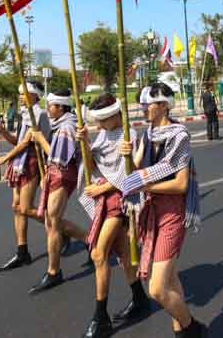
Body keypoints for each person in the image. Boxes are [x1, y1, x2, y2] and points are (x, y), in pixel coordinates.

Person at [119, 82, 207, 337]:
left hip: (172, 214)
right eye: (143, 104)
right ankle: (180, 331)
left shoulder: (179, 135)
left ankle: (194, 329)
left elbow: (180, 185)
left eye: (148, 104)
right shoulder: (147, 134)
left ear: (164, 105)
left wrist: (145, 185)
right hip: (151, 212)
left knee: (157, 289)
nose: (144, 108)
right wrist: (126, 154)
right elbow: (135, 173)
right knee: (171, 280)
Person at [76, 93, 150, 338]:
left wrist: (102, 188)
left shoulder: (129, 136)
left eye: (102, 121)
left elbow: (127, 175)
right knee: (122, 252)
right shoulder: (103, 134)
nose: (99, 126)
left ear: (114, 116)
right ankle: (139, 298)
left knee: (98, 253)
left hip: (120, 199)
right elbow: (92, 166)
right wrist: (85, 142)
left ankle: (101, 317)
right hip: (104, 199)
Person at [26, 88, 88, 294]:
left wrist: (39, 139)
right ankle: (90, 240)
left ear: (60, 107)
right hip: (55, 172)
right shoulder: (59, 124)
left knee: (52, 221)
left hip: (63, 174)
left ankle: (53, 271)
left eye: (51, 106)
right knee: (51, 220)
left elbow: (59, 157)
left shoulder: (66, 127)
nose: (48, 109)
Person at [0, 82, 50, 271]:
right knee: (17, 208)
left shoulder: (38, 114)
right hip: (19, 162)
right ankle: (22, 251)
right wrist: (2, 130)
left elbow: (26, 144)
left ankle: (60, 227)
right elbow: (17, 140)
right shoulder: (24, 113)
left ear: (34, 96)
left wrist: (4, 158)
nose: (21, 97)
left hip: (32, 162)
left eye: (24, 94)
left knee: (25, 207)